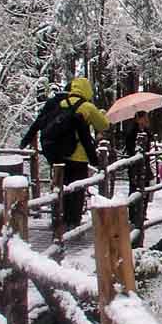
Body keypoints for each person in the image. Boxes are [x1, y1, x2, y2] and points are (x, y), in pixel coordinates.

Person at [54, 77, 109, 227]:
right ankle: (73, 221)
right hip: (79, 155)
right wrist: (101, 115)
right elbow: (104, 125)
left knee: (62, 187)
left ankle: (61, 219)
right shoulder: (87, 107)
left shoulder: (61, 104)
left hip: (60, 154)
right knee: (77, 189)